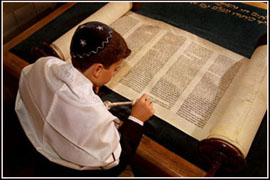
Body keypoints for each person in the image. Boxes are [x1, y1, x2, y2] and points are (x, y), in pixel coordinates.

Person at [15, 21, 154, 176]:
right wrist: (136, 119)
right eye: (115, 69)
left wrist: (87, 82)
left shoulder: (44, 64)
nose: (115, 73)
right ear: (98, 69)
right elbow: (115, 162)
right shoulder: (95, 118)